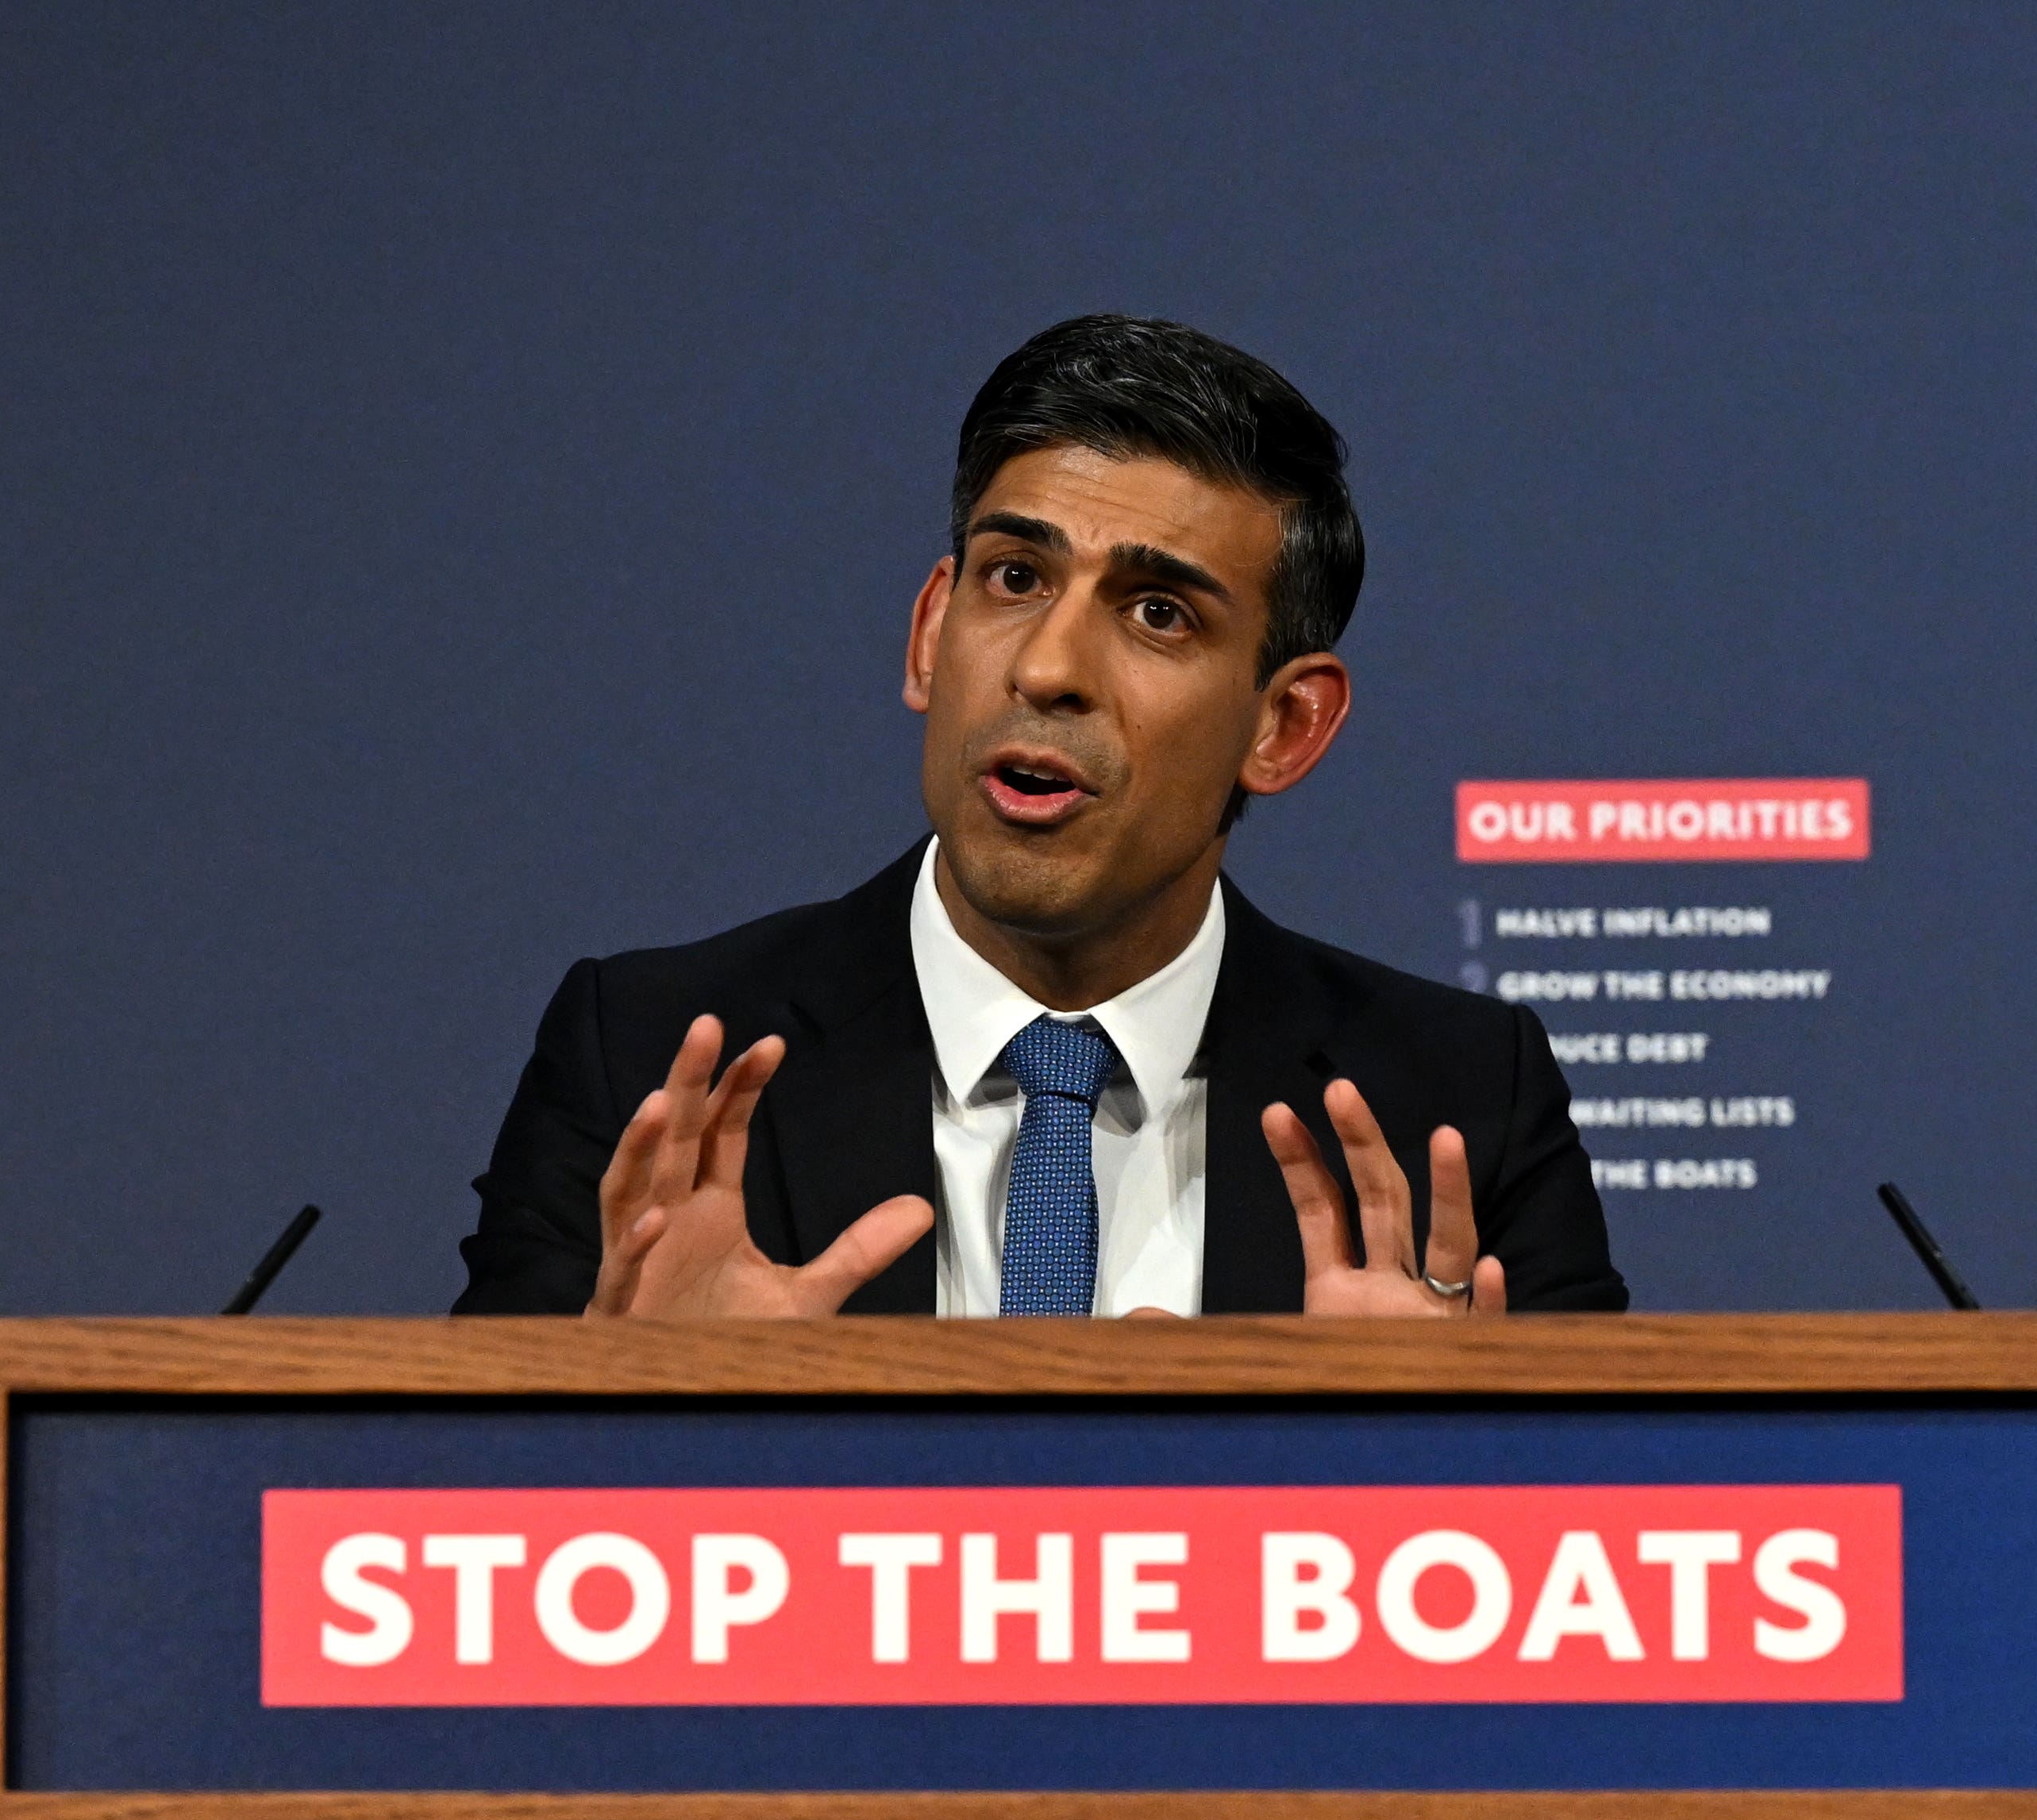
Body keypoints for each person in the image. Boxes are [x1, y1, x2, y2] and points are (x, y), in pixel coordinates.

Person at [455, 314, 1624, 1321]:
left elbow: (1619, 1559)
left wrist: (1432, 1464)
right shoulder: (649, 1065)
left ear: (1285, 725)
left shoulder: (1459, 1110)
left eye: (1158, 612)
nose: (1049, 668)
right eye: (1014, 578)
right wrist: (632, 1422)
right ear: (928, 633)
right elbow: (451, 1541)